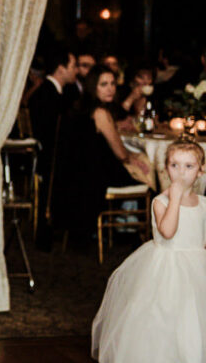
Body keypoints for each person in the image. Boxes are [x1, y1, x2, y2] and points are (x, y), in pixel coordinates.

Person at [91, 141, 206, 363]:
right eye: (175, 166)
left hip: (196, 271)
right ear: (166, 169)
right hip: (166, 268)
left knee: (193, 323)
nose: (181, 173)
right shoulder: (161, 201)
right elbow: (168, 231)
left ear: (201, 170)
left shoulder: (205, 204)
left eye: (189, 166)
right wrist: (176, 198)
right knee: (161, 319)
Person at [55, 66, 151, 246]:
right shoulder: (101, 113)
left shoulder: (82, 109)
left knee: (136, 168)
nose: (110, 89)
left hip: (78, 176)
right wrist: (138, 161)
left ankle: (122, 226)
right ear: (94, 87)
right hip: (96, 178)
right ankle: (127, 230)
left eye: (113, 84)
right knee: (144, 176)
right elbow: (121, 154)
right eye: (104, 84)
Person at [28, 46, 77, 248]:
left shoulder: (50, 93)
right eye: (73, 66)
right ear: (61, 68)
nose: (75, 71)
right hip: (51, 158)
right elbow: (53, 133)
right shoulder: (50, 96)